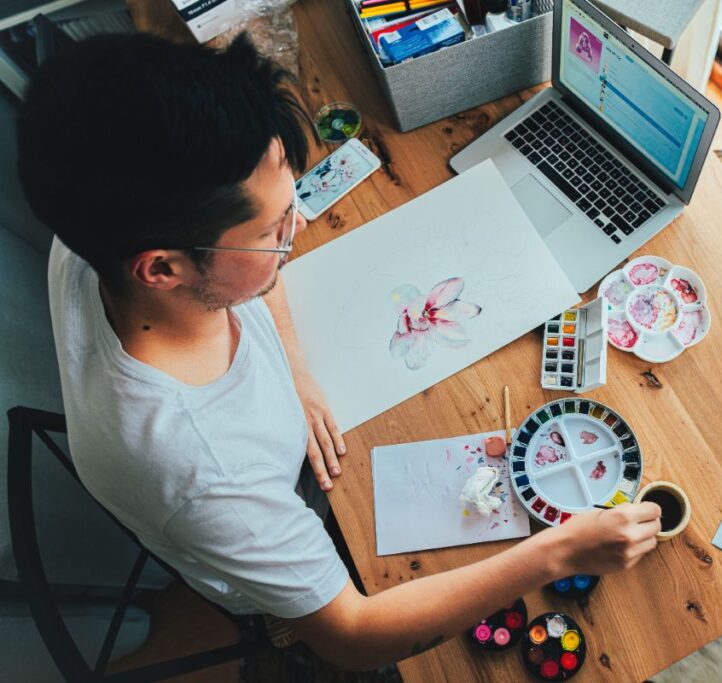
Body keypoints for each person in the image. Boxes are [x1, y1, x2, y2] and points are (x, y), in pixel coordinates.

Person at [17, 32, 661, 670]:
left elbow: (239, 271)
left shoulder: (95, 217)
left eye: (291, 202)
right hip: (284, 575)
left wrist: (291, 368)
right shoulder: (208, 473)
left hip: (276, 446)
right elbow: (352, 634)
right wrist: (558, 555)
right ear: (161, 269)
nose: (294, 232)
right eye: (273, 232)